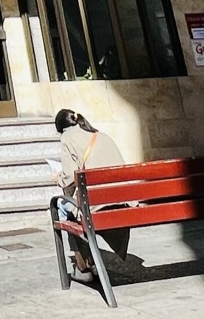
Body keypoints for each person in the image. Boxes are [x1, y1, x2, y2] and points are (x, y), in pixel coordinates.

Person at [53, 109, 140, 283]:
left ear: (62, 128)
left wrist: (58, 178)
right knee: (75, 206)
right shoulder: (102, 135)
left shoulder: (68, 137)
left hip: (95, 207)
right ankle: (90, 261)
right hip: (122, 202)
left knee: (62, 208)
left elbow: (70, 176)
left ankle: (83, 267)